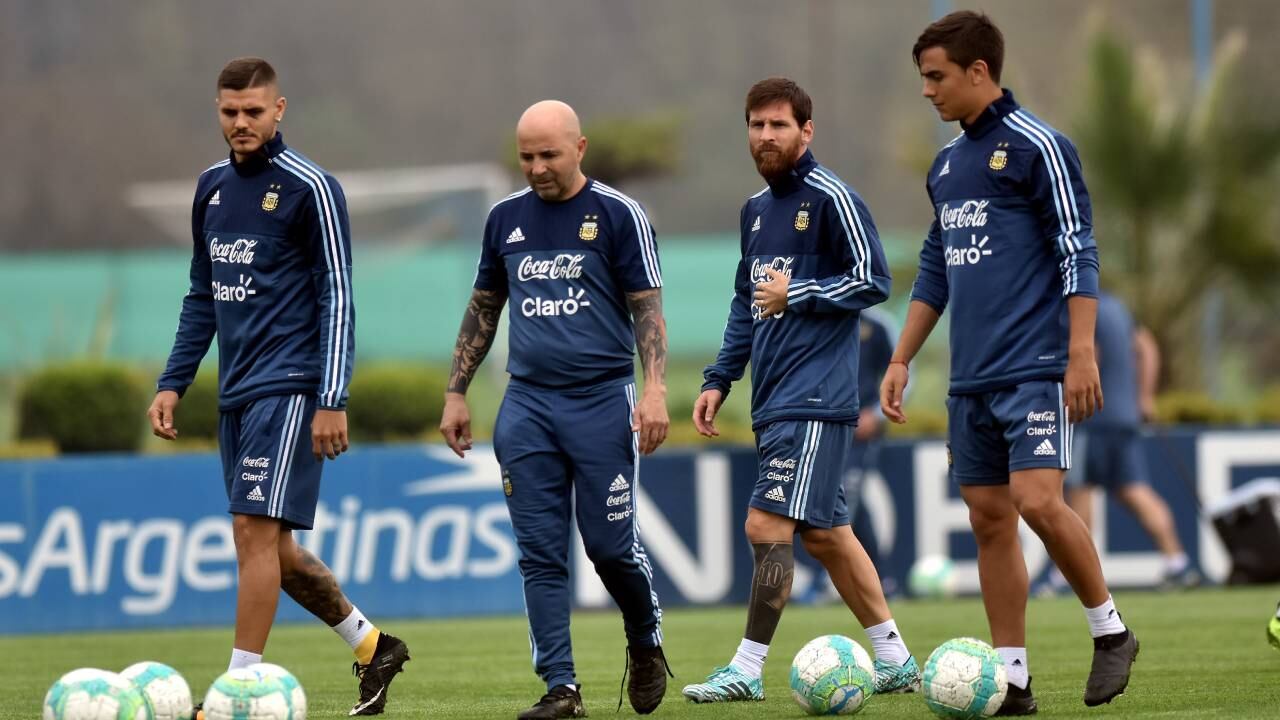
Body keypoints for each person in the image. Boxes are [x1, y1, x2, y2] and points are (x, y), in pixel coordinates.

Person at [882, 12, 1138, 713]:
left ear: (978, 72)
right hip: (971, 377)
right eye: (922, 79)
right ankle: (1012, 677)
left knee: (1035, 501)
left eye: (936, 77)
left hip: (1034, 365)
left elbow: (1077, 249)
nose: (927, 91)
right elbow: (935, 268)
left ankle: (1110, 630)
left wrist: (1081, 352)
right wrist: (903, 357)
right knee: (991, 519)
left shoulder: (1040, 147)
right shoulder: (946, 165)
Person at [148, 57, 408, 717]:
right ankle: (371, 644)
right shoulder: (209, 189)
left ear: (279, 110)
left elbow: (339, 297)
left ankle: (238, 690)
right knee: (277, 550)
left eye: (253, 112)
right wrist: (174, 380)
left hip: (290, 387)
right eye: (230, 112)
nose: (240, 123)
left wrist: (331, 397)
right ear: (219, 110)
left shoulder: (310, 188)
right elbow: (202, 295)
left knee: (251, 531)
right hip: (236, 393)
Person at [682, 77, 919, 704]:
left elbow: (875, 280)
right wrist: (719, 377)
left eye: (779, 125)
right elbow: (746, 302)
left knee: (767, 525)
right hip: (774, 397)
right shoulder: (754, 211)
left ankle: (747, 668)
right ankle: (895, 659)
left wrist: (803, 294)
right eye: (756, 125)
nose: (766, 136)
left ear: (805, 131)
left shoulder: (833, 197)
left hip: (816, 398)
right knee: (826, 535)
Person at [439, 100, 671, 719]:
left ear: (580, 148)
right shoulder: (504, 220)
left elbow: (646, 307)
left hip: (601, 402)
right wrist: (457, 391)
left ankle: (645, 639)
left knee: (610, 548)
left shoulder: (618, 215)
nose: (537, 167)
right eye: (526, 156)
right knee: (540, 554)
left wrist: (654, 390)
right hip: (527, 406)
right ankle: (561, 688)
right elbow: (485, 306)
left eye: (549, 154)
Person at [1043, 291, 1199, 593]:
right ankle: (1177, 562)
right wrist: (1144, 396)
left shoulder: (1074, 307)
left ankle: (1065, 577)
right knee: (1135, 491)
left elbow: (1088, 355)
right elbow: (1147, 346)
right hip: (1124, 415)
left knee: (1078, 493)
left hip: (1091, 415)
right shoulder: (1117, 306)